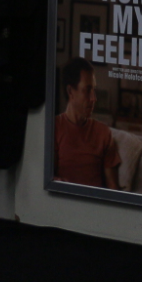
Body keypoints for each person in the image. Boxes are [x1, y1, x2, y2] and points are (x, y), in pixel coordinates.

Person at [55, 58, 119, 189]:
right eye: (87, 90)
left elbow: (113, 188)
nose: (94, 98)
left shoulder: (103, 133)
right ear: (70, 91)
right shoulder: (54, 128)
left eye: (93, 90)